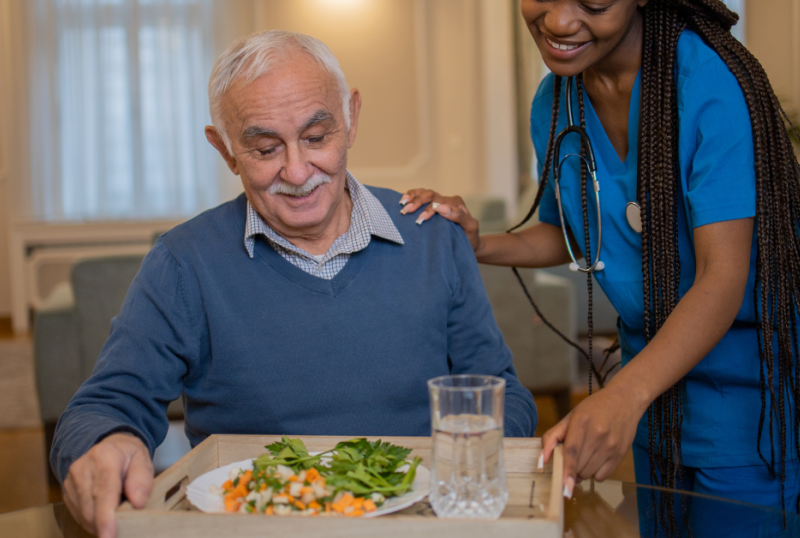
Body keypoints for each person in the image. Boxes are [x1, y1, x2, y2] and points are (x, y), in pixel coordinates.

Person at [402, 0, 800, 534]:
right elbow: (578, 234)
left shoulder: (710, 87)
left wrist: (622, 394)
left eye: (594, 3)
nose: (560, 21)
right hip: (660, 393)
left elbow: (722, 275)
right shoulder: (557, 101)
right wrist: (480, 242)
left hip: (758, 394)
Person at [53, 30, 537, 538]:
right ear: (225, 150)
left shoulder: (435, 238)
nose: (298, 170)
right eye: (264, 148)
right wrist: (106, 443)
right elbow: (103, 405)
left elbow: (505, 396)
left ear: (350, 119)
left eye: (316, 137)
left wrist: (472, 462)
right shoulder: (182, 262)